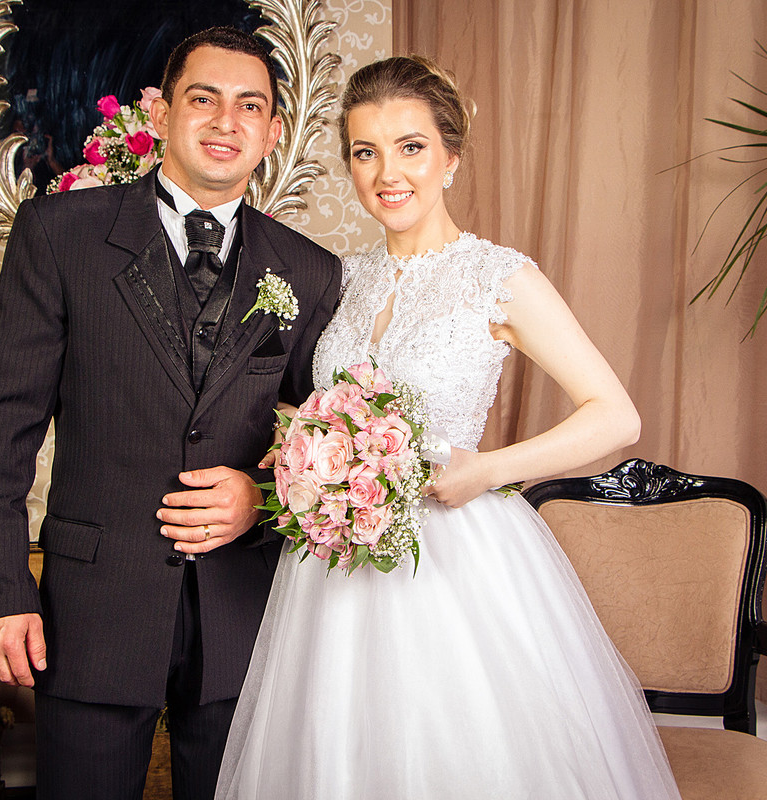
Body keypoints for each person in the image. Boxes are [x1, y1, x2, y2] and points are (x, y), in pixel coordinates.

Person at [213, 56, 682, 799]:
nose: (387, 173)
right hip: (334, 570)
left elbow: (615, 415)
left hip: (455, 558)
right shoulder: (341, 278)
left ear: (451, 157)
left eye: (411, 147)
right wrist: (301, 443)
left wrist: (488, 469)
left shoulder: (498, 278)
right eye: (365, 152)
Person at [0, 27, 341, 800]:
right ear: (162, 114)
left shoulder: (310, 270)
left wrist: (261, 497)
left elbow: (324, 446)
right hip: (92, 617)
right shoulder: (59, 234)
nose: (226, 121)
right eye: (204, 99)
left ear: (273, 132)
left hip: (243, 619)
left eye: (250, 106)